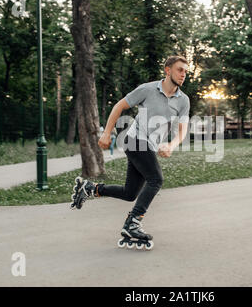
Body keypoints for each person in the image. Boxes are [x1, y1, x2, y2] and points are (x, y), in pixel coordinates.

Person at [70, 56, 190, 250]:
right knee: (156, 179)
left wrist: (172, 144)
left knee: (130, 193)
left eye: (185, 71)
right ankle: (132, 223)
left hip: (148, 146)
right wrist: (107, 133)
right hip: (134, 140)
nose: (183, 74)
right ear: (167, 70)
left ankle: (90, 189)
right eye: (179, 70)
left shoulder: (183, 100)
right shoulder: (147, 89)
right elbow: (120, 106)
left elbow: (183, 131)